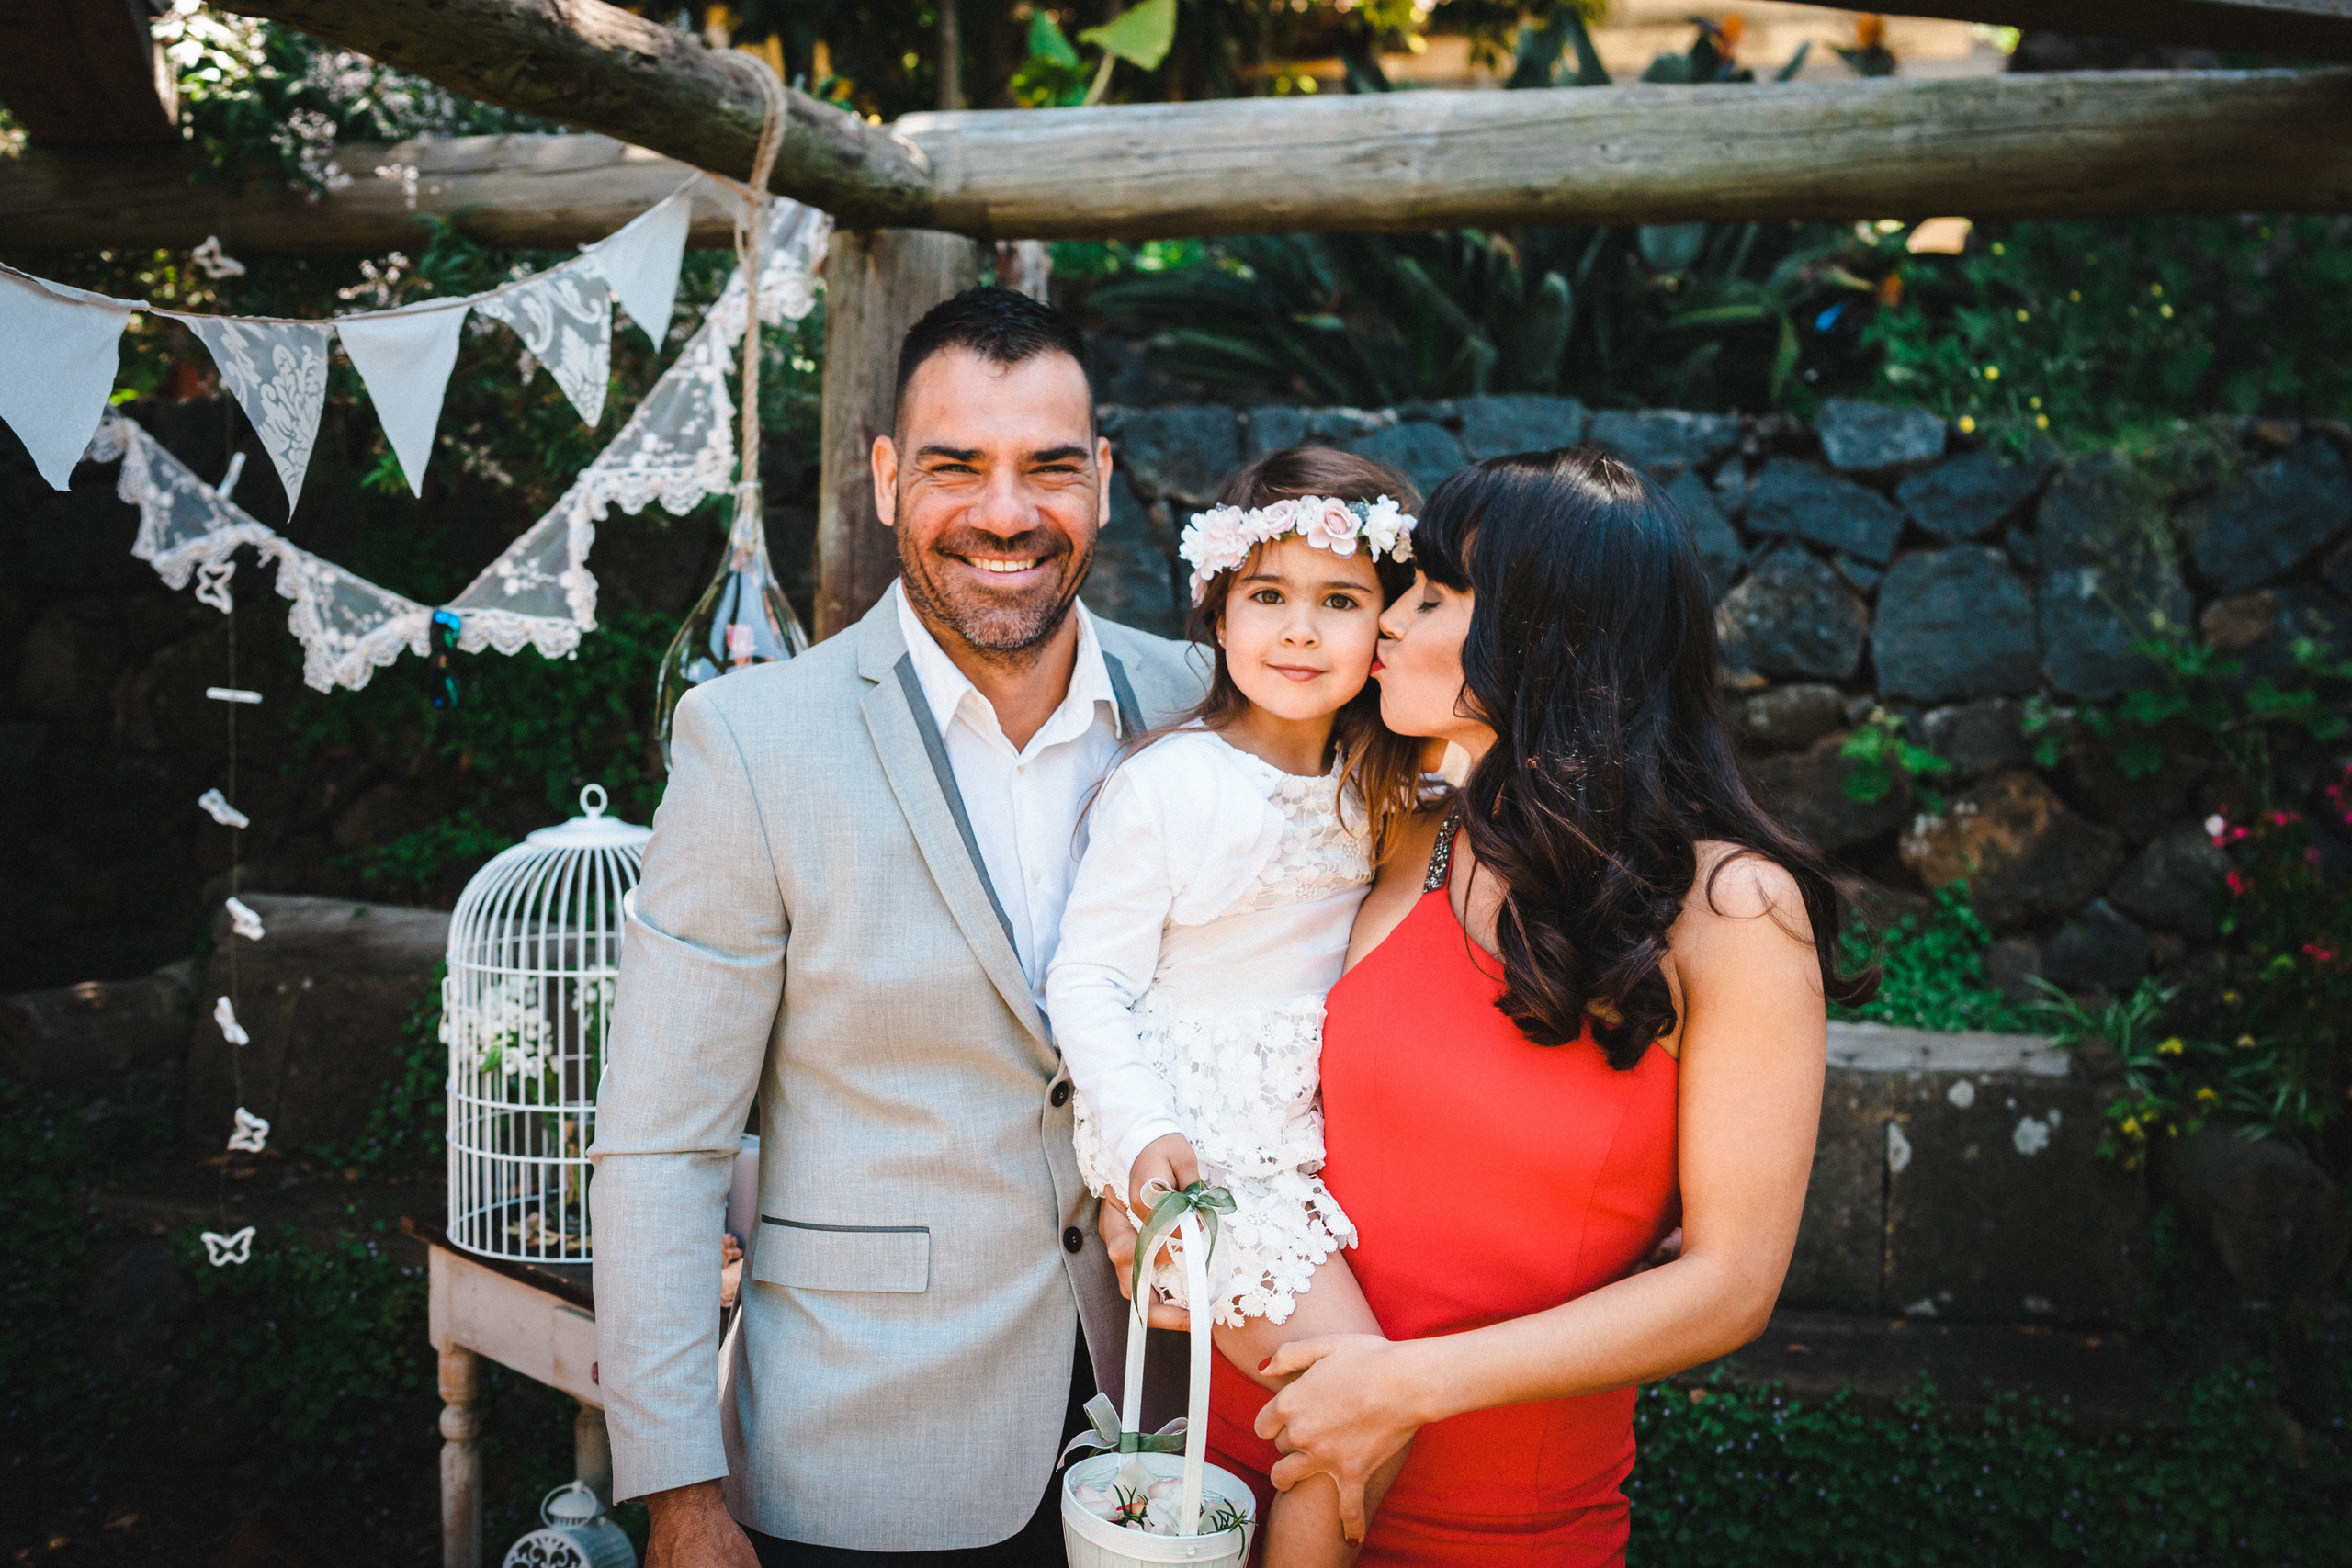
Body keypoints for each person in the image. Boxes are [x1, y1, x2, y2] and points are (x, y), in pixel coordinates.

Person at [1109, 446, 1870, 1562]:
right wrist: (1145, 1203)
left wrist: (1403, 1386)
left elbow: (1729, 1286)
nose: (1384, 622)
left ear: (1545, 635)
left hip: (1500, 1522)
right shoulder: (1391, 827)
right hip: (1225, 1473)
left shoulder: (1733, 911)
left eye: (1430, 597)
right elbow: (1197, 1030)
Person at [590, 287, 1206, 1567]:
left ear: (1102, 478)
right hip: (856, 1450)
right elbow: (659, 1145)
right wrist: (678, 1494)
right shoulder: (752, 743)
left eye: (1049, 466)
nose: (1005, 512)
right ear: (883, 479)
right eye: (954, 466)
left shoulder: (1203, 701)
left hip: (1167, 1432)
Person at [1046, 448, 1424, 1564]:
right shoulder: (1172, 783)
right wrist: (1141, 1133)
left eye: (1340, 601)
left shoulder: (1386, 785)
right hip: (1199, 1160)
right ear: (1217, 612)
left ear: (1388, 623)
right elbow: (1088, 978)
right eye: (1267, 596)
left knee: (1344, 1424)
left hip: (1301, 1152)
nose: (1300, 632)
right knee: (1358, 1406)